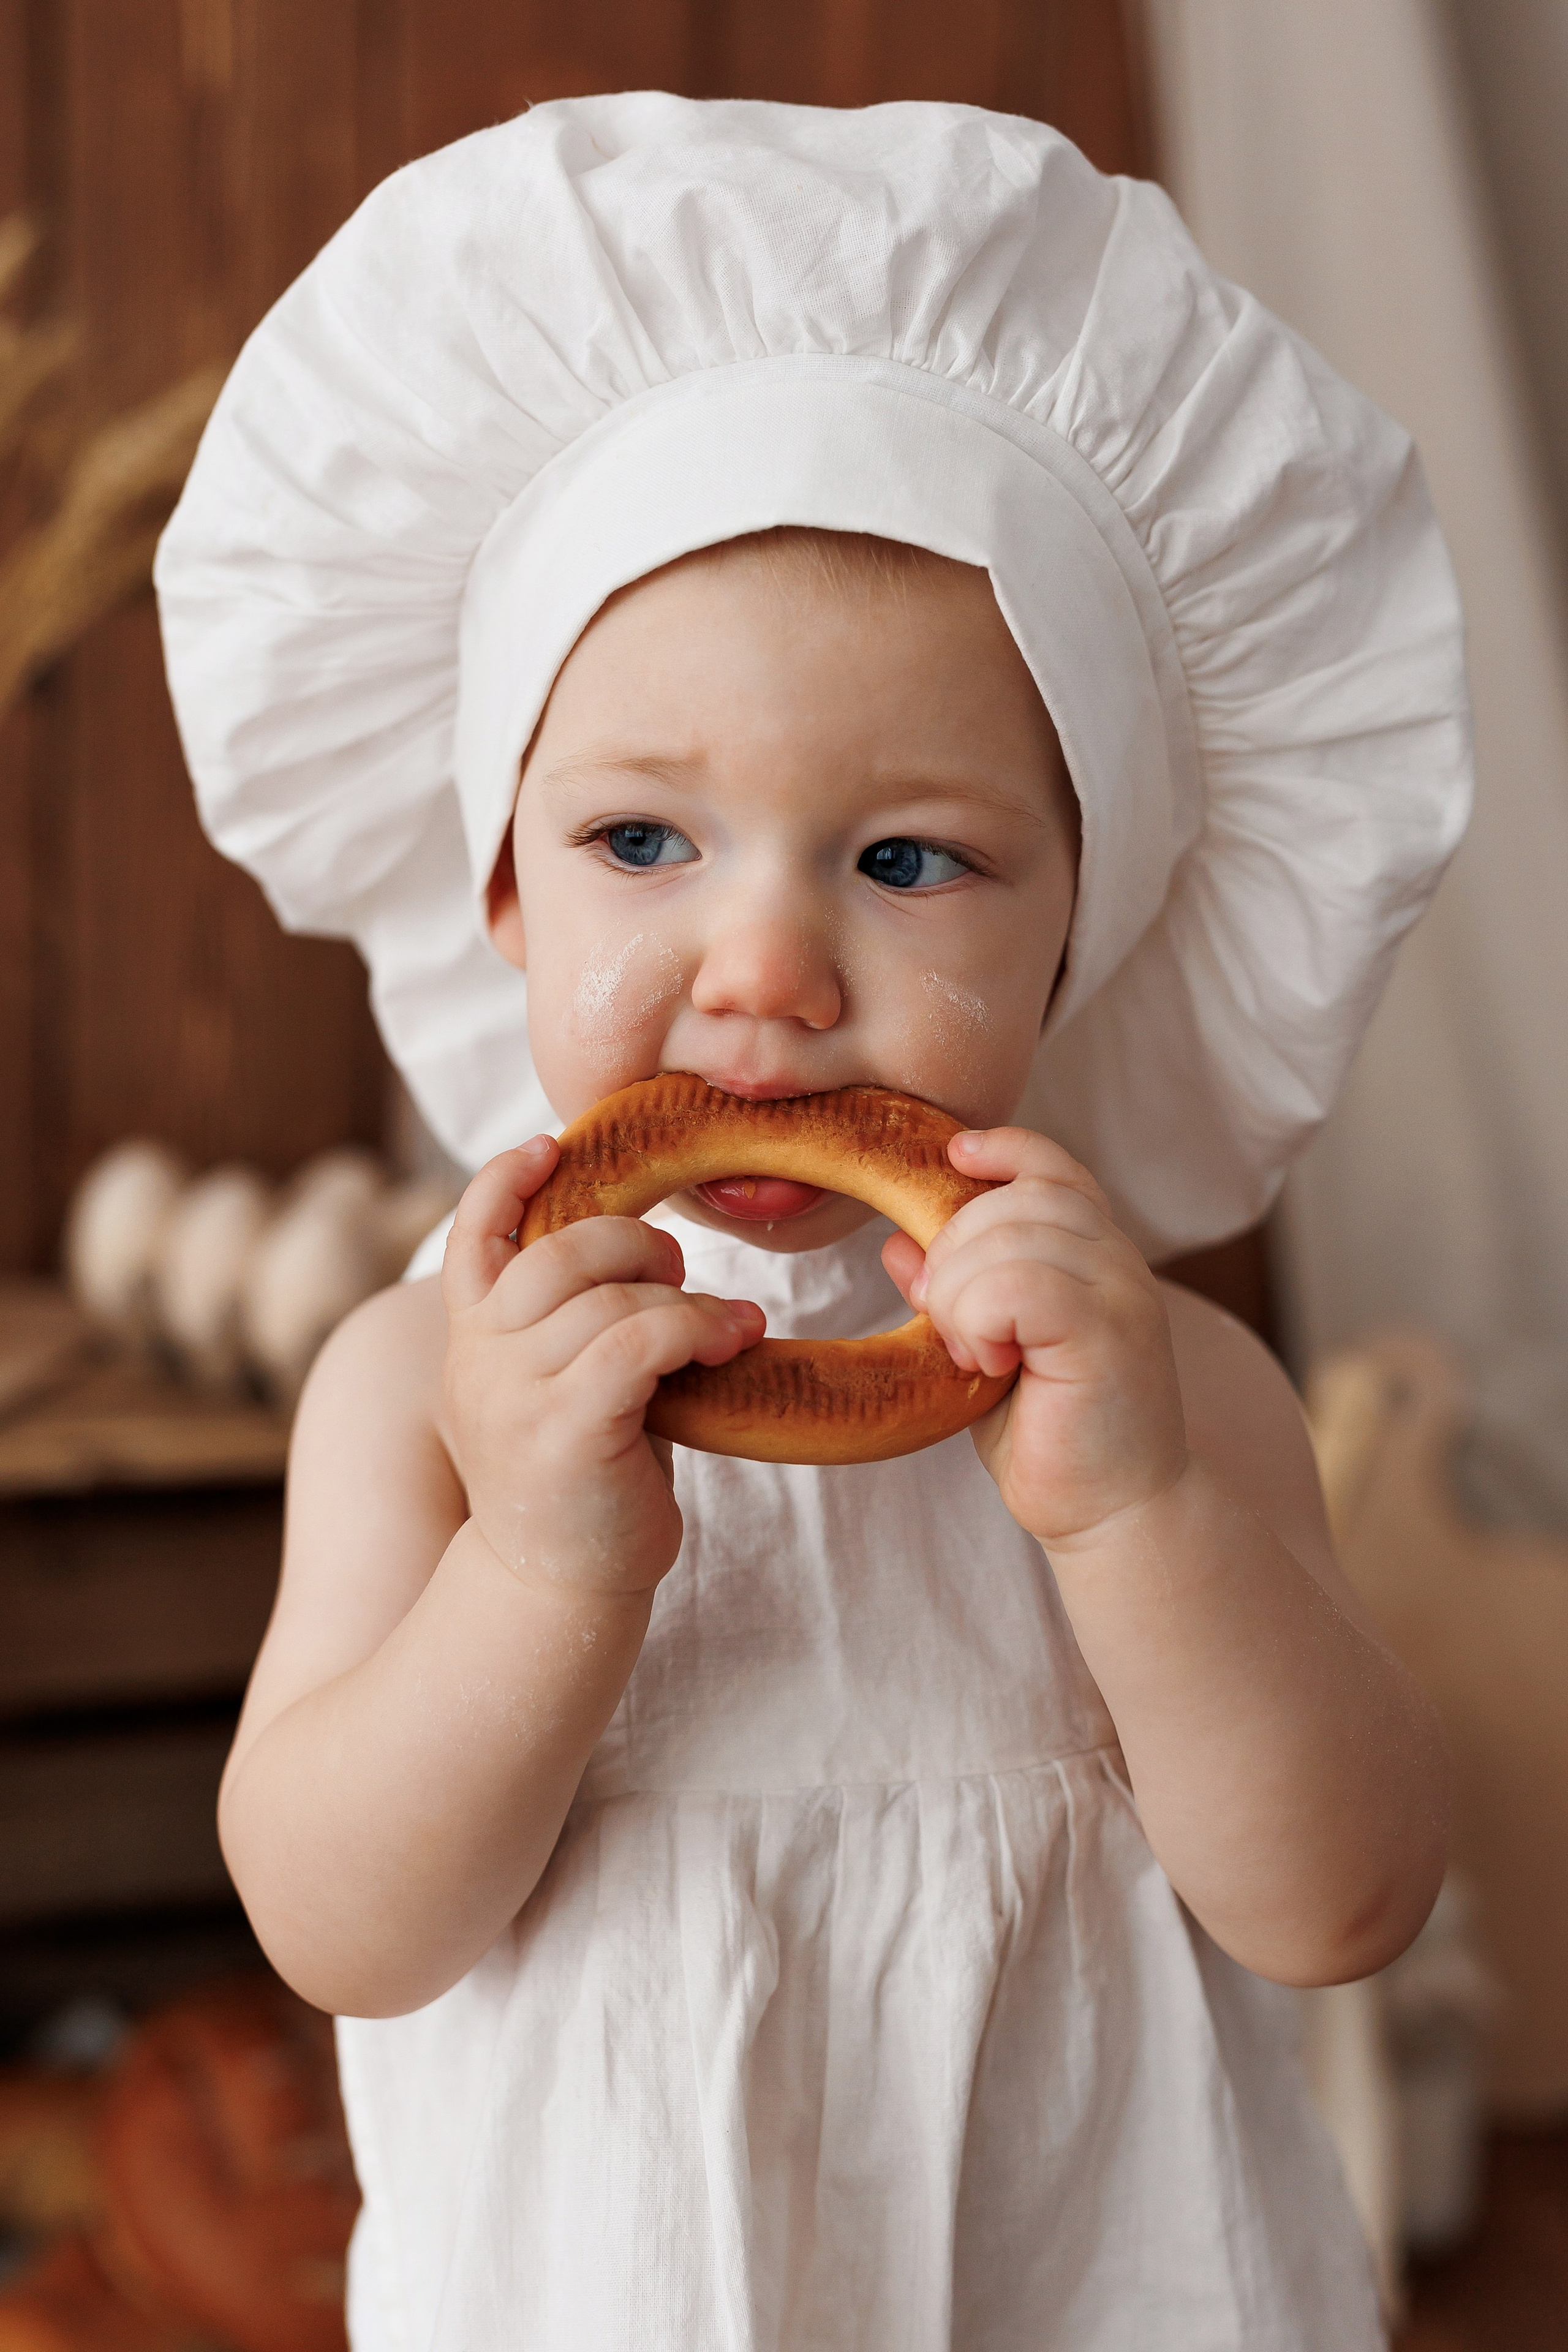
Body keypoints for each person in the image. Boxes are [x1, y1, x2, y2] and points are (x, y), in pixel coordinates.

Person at [155, 95, 1470, 2351]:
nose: (764, 963)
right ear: (497, 879)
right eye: (644, 842)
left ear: (1083, 934)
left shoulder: (1170, 1388)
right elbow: (344, 1926)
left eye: (908, 860)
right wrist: (540, 1566)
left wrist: (1139, 1513)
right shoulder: (423, 1389)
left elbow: (1339, 1902)